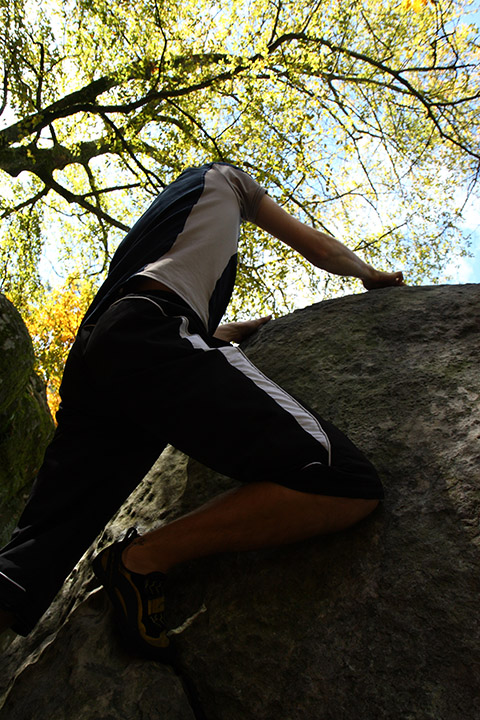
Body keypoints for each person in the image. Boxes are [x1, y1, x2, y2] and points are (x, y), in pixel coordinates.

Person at [0, 162, 404, 658]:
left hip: (100, 356)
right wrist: (370, 273)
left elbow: (160, 287)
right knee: (344, 480)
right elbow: (320, 248)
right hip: (149, 335)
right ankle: (142, 559)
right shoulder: (231, 181)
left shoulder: (157, 228)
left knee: (21, 570)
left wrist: (225, 331)